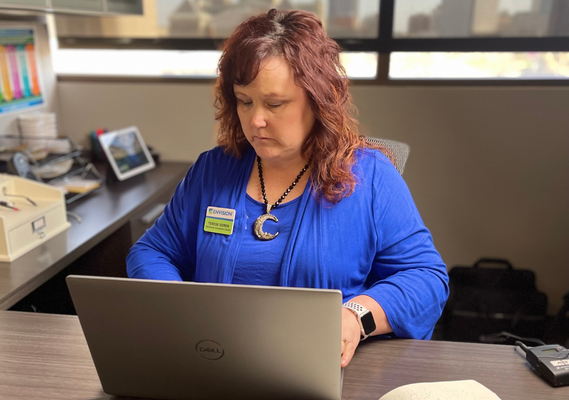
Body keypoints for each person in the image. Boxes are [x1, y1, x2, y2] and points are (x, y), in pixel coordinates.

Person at [127, 9, 449, 368]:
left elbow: (427, 279)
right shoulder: (213, 170)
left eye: (275, 104)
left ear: (318, 99)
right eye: (244, 101)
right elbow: (152, 252)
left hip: (322, 369)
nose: (256, 120)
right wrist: (176, 302)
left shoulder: (372, 177)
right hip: (213, 364)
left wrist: (358, 315)